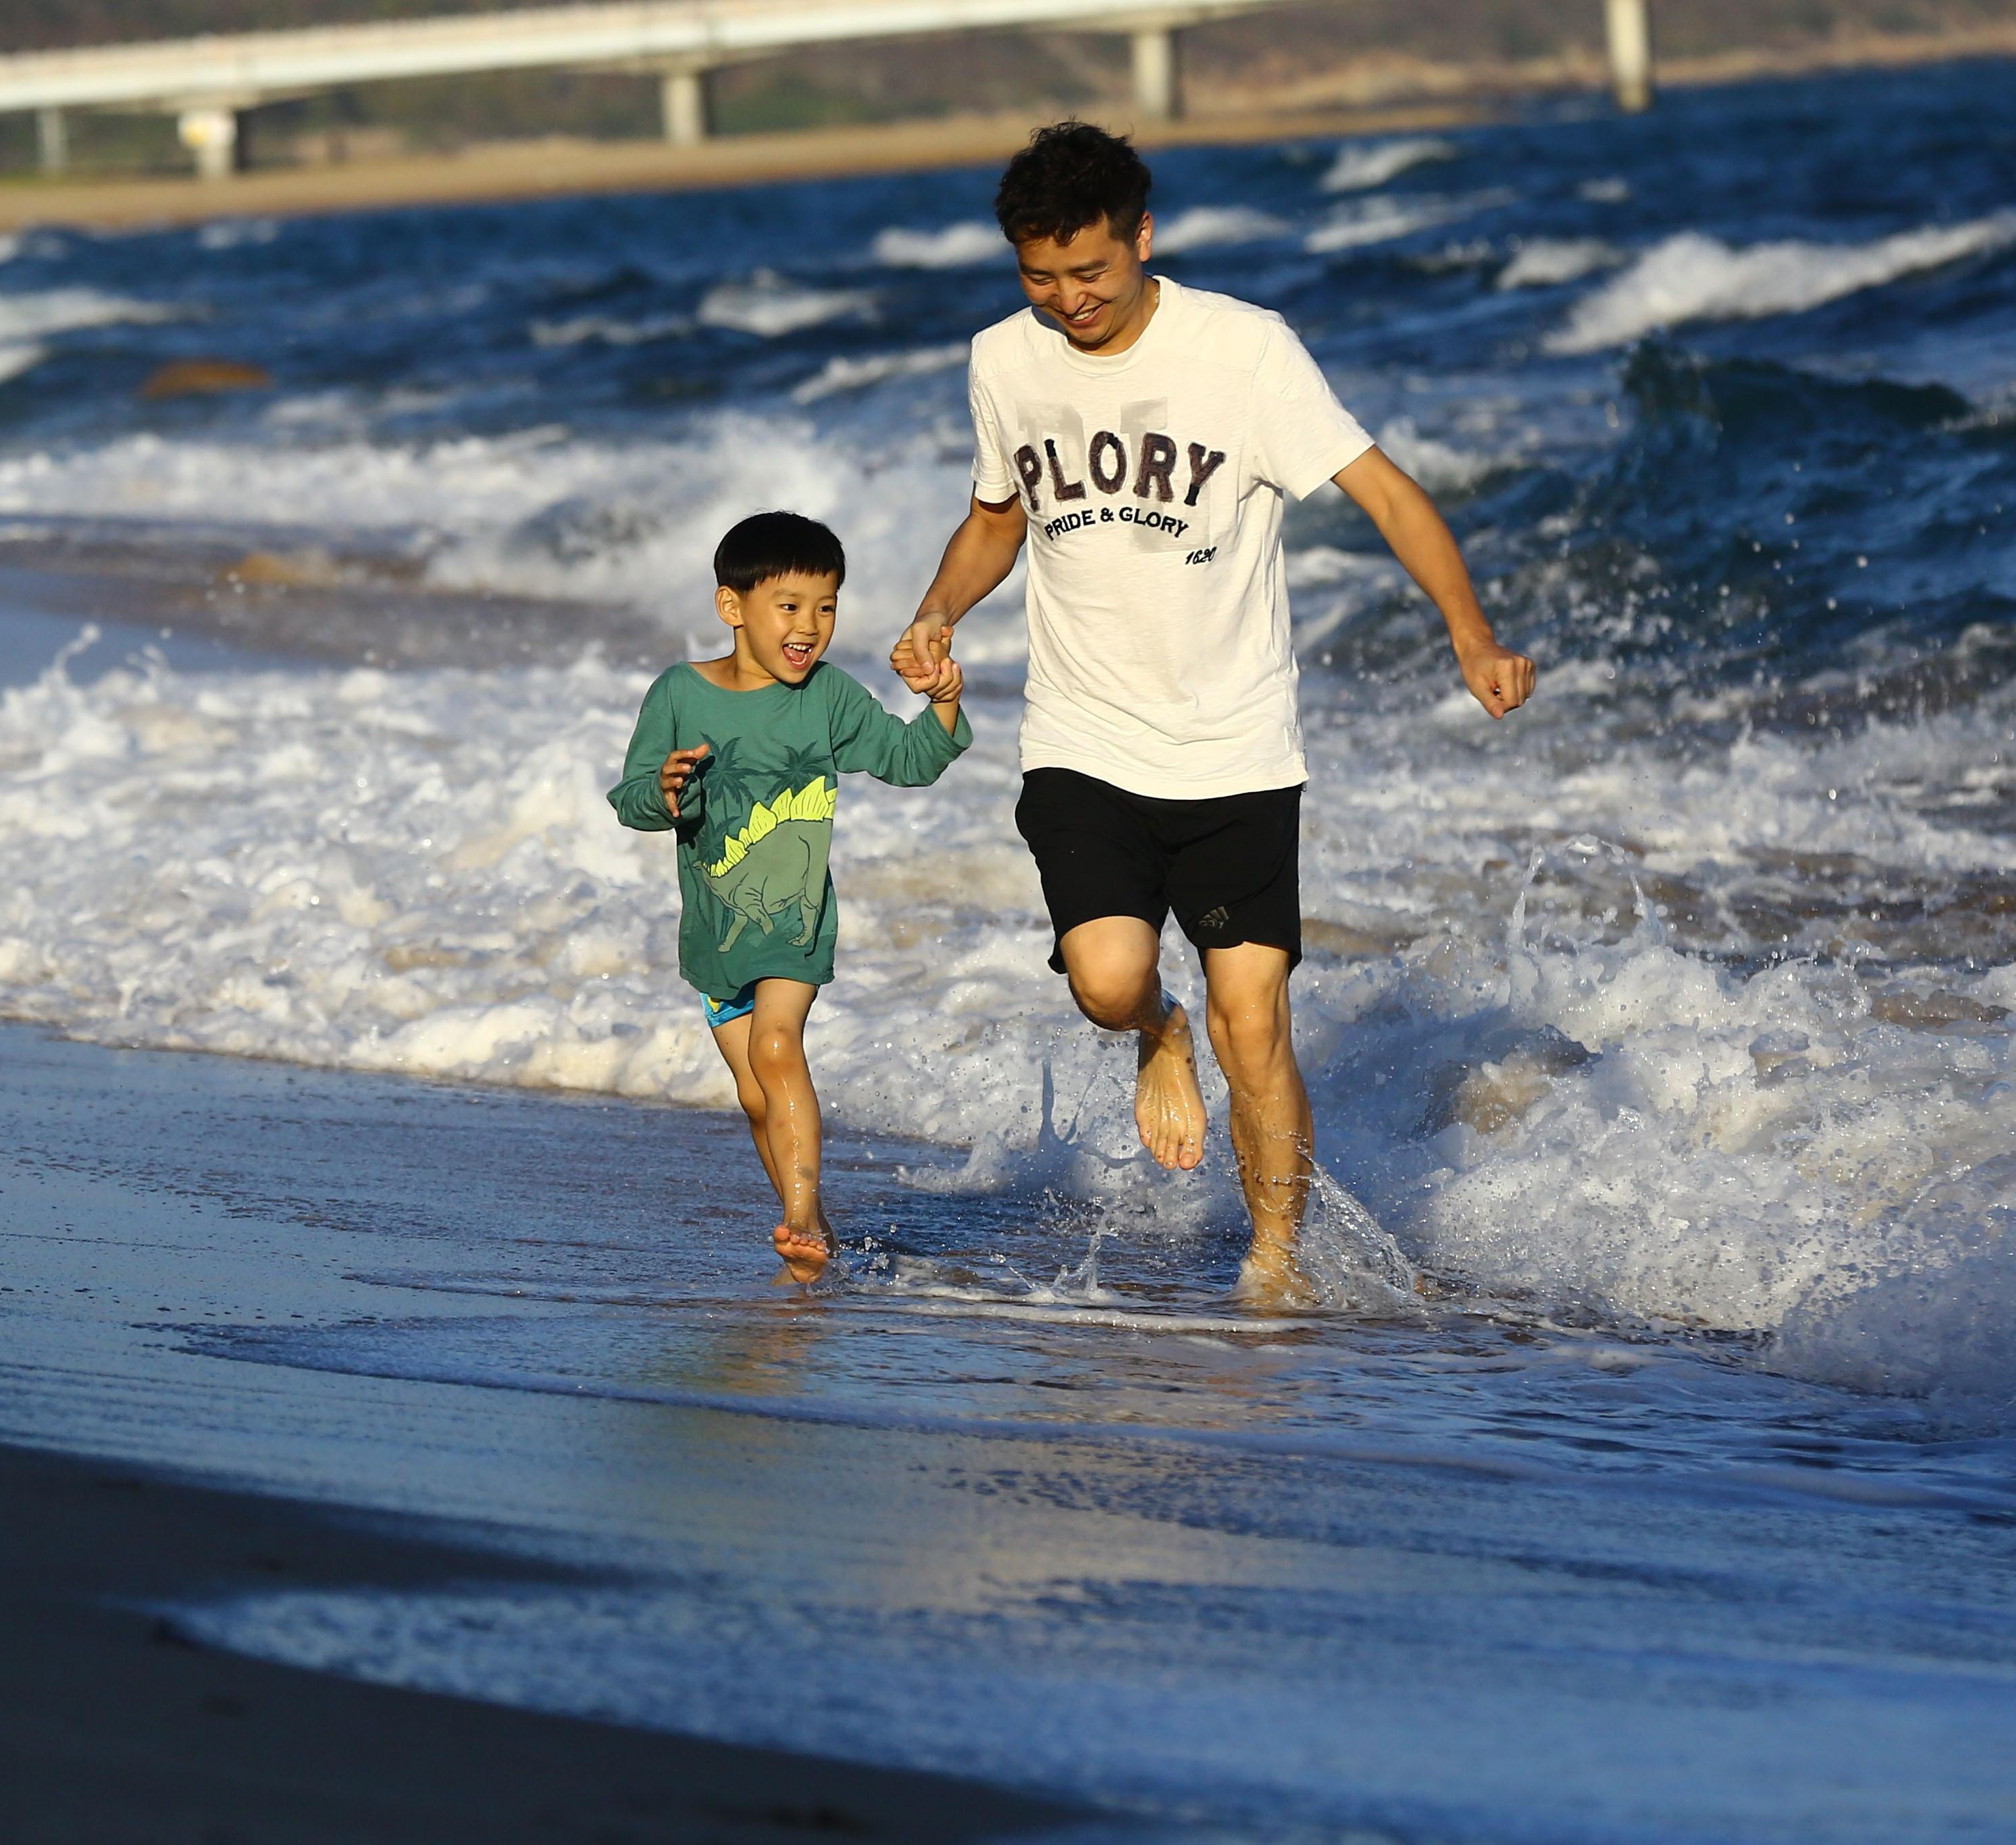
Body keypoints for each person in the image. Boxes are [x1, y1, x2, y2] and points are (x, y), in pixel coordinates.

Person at [892, 121, 1534, 1304]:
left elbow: (1384, 491)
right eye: (1040, 277)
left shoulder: (1243, 351)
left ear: (1143, 236)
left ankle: (1271, 1260)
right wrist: (938, 611)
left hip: (1235, 742)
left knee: (1255, 1021)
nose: (1068, 299)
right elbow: (998, 513)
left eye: (1090, 271)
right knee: (1104, 978)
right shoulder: (1003, 360)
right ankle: (1155, 1031)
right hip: (1084, 735)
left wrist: (1469, 630)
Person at [614, 511, 971, 1282]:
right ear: (731, 607)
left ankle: (801, 1214)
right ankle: (818, 1243)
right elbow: (632, 799)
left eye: (827, 606)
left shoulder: (830, 698)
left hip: (797, 919)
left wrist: (942, 702)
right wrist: (666, 792)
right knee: (753, 1096)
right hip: (716, 932)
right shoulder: (678, 693)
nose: (811, 626)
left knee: (778, 1048)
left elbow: (910, 760)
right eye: (790, 606)